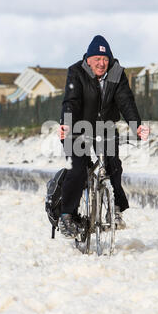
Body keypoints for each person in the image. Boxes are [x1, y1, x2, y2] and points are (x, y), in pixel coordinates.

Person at [58, 35, 149, 238]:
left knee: (113, 165)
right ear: (88, 60)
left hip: (103, 128)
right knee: (78, 169)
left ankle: (115, 209)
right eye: (97, 59)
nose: (102, 63)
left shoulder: (116, 73)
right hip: (76, 128)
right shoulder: (76, 72)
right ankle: (67, 216)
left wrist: (137, 127)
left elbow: (126, 101)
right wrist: (66, 123)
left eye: (105, 59)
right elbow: (70, 102)